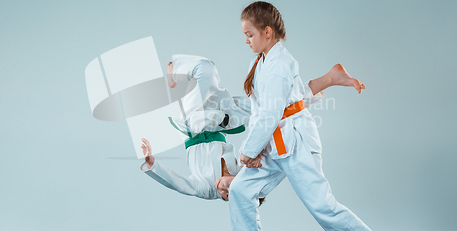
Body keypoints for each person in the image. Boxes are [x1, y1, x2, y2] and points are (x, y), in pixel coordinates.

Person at [228, 1, 384, 231]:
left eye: (249, 34)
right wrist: (253, 150)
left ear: (267, 32)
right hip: (273, 144)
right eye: (244, 35)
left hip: (296, 142)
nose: (246, 40)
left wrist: (248, 152)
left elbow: (270, 114)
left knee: (320, 204)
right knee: (240, 188)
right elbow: (268, 109)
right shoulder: (263, 60)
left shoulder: (279, 64)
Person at [140, 54, 365, 203]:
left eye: (226, 196)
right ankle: (331, 78)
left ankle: (175, 71)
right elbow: (263, 153)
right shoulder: (242, 174)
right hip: (223, 119)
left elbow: (179, 184)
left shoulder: (207, 190)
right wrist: (257, 156)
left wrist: (153, 164)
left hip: (193, 121)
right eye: (230, 191)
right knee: (278, 104)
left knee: (206, 69)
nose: (223, 190)